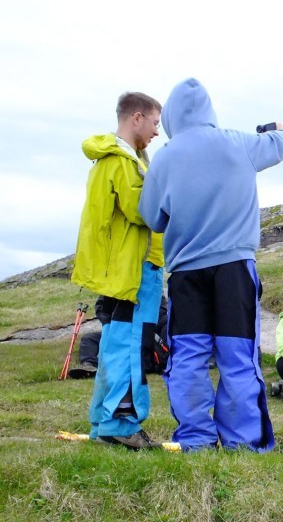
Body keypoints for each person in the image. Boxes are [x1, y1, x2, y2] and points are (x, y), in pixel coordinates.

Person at [139, 78, 283, 452]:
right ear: (209, 111)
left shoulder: (165, 157)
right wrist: (274, 128)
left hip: (186, 274)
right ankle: (243, 442)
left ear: (173, 116)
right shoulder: (240, 142)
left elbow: (151, 218)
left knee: (189, 357)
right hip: (235, 270)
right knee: (237, 356)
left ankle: (196, 439)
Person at [71, 91, 165, 450]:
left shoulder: (112, 159)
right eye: (155, 122)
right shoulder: (124, 162)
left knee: (114, 344)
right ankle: (122, 423)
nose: (157, 131)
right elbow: (144, 210)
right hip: (135, 270)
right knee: (131, 345)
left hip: (121, 270)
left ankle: (103, 421)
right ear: (136, 117)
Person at [68, 295, 169, 379]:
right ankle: (89, 366)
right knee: (88, 339)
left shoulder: (150, 285)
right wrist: (114, 323)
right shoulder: (113, 287)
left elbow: (161, 312)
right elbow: (100, 308)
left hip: (143, 334)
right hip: (118, 331)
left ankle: (161, 363)